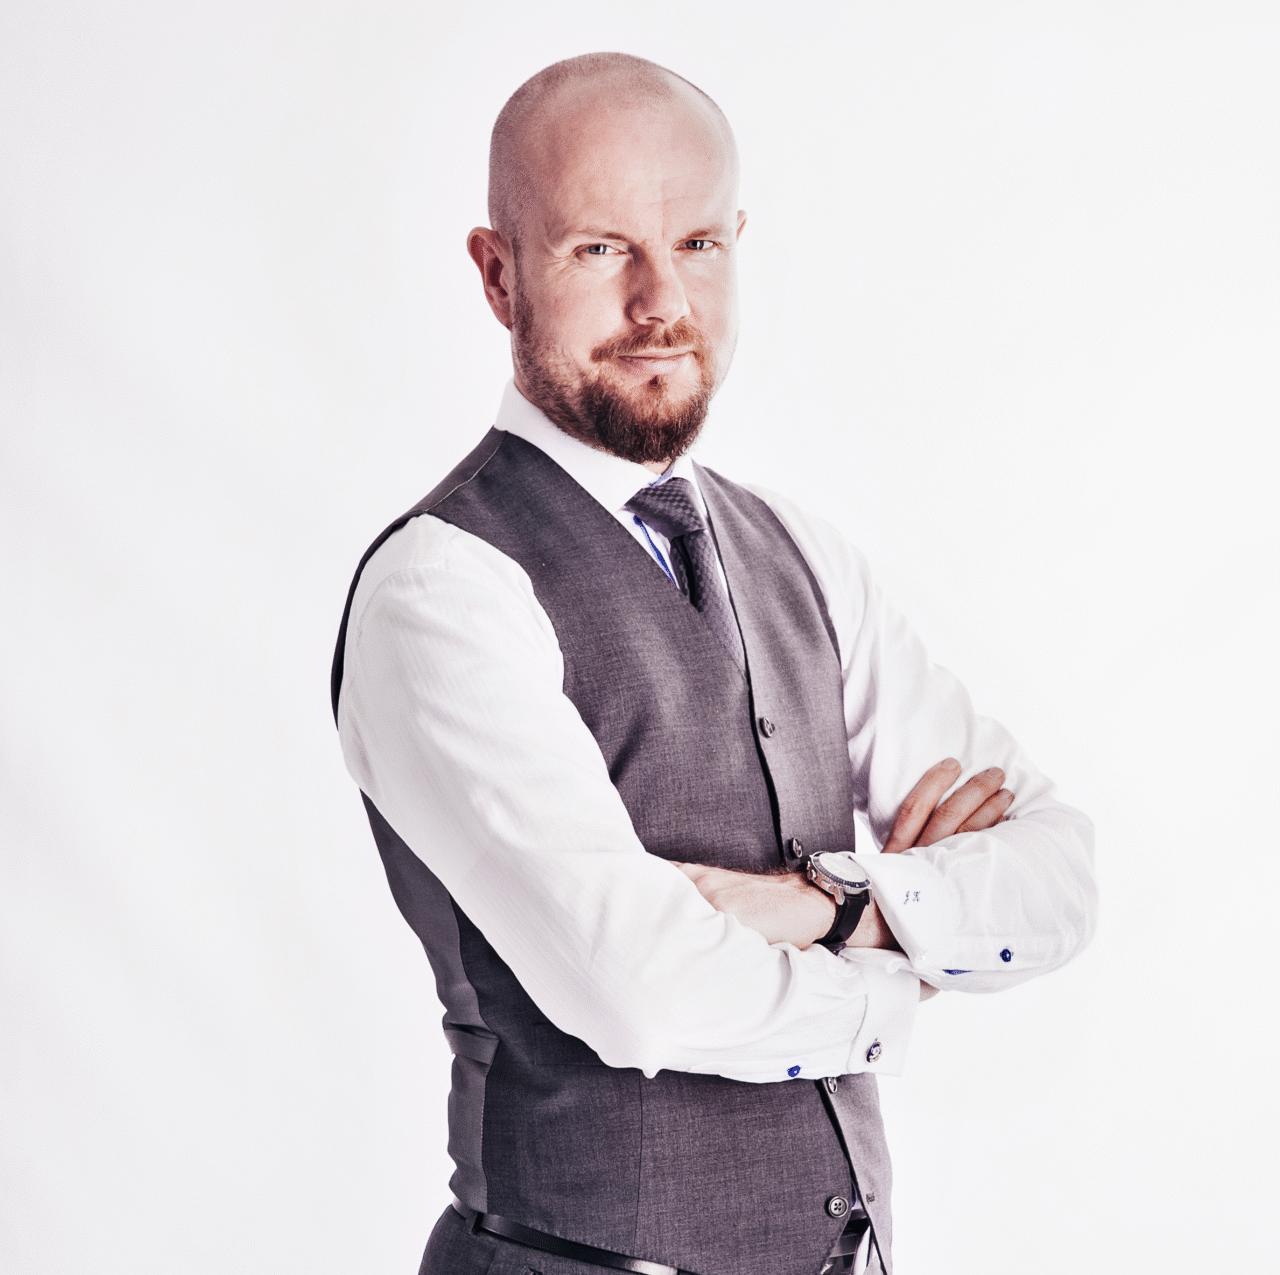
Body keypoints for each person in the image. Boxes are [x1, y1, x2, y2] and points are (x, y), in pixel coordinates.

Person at [332, 52, 1097, 1275]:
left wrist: (827, 905)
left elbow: (1053, 877)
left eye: (695, 244)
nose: (660, 303)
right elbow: (641, 991)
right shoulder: (444, 589)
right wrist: (908, 968)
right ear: (497, 274)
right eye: (599, 250)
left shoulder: (797, 551)